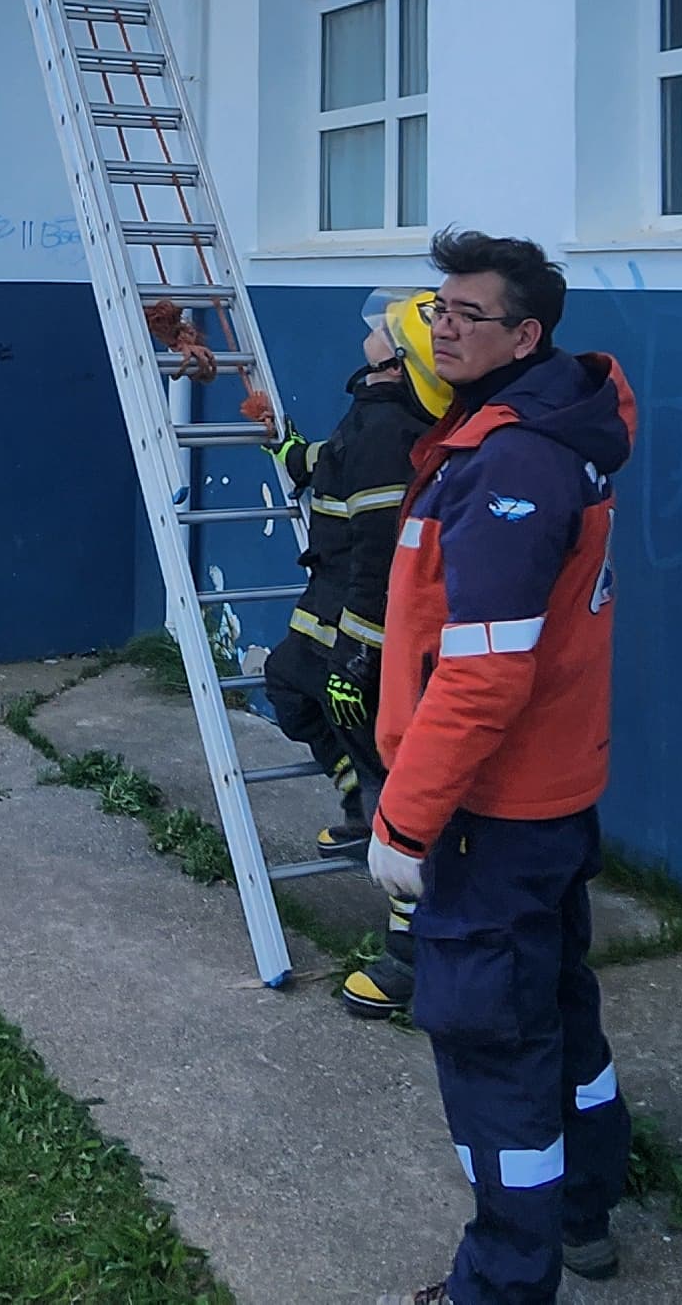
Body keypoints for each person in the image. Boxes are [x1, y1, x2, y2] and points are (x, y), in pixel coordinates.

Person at [365, 229, 636, 1305]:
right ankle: (585, 1213)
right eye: (436, 310)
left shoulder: (512, 459)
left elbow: (481, 674)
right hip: (549, 800)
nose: (441, 326)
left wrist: (404, 820)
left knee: (492, 1044)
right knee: (560, 1010)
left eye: (464, 314)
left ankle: (501, 1283)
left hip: (490, 812)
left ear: (524, 334)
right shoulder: (526, 433)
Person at [257, 287, 449, 1020]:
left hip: (358, 618)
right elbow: (325, 464)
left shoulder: (387, 428)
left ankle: (413, 955)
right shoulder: (372, 416)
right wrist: (282, 445)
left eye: (387, 333)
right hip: (331, 605)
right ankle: (355, 800)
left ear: (398, 366)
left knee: (389, 772)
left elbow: (380, 553)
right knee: (286, 683)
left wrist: (362, 658)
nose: (372, 334)